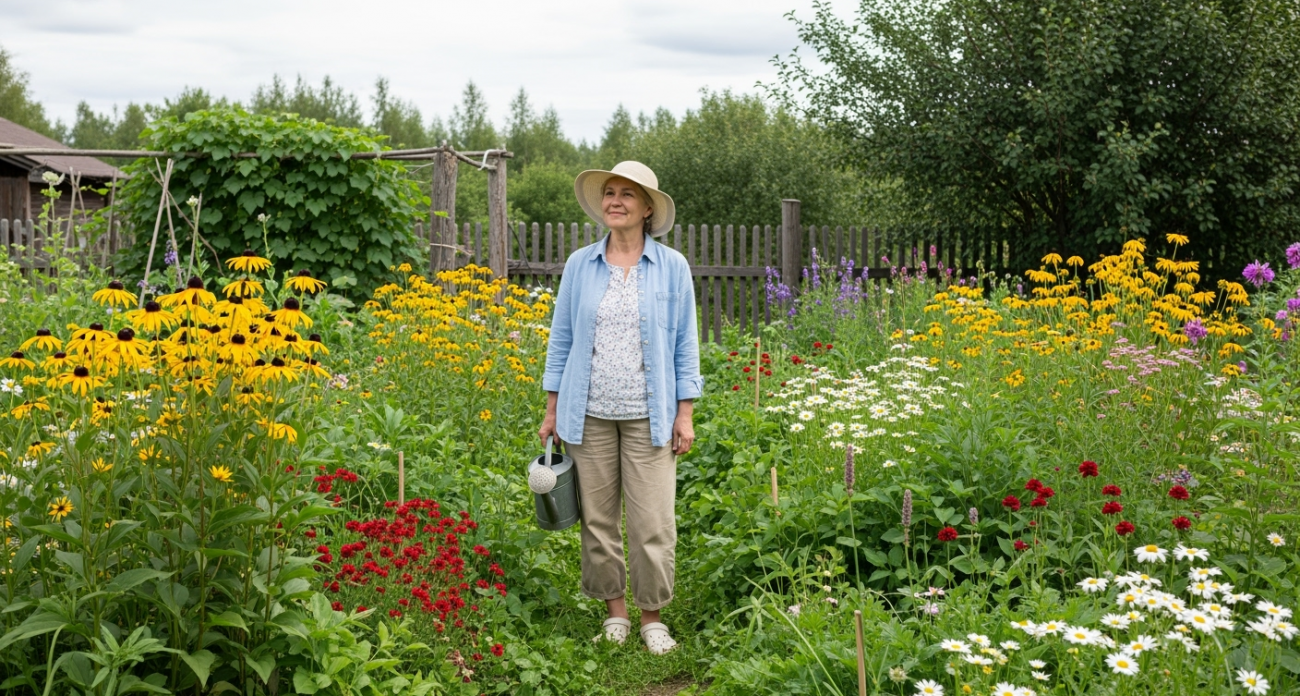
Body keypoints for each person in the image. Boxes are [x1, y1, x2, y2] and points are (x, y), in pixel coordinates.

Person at [538, 161, 702, 654]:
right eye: (609, 193)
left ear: (647, 207)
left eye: (627, 194)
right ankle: (616, 613)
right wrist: (552, 410)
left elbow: (685, 344)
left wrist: (685, 412)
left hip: (648, 417)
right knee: (598, 520)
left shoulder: (672, 266)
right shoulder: (579, 265)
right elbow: (561, 339)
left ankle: (652, 617)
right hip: (586, 414)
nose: (615, 201)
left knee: (653, 522)